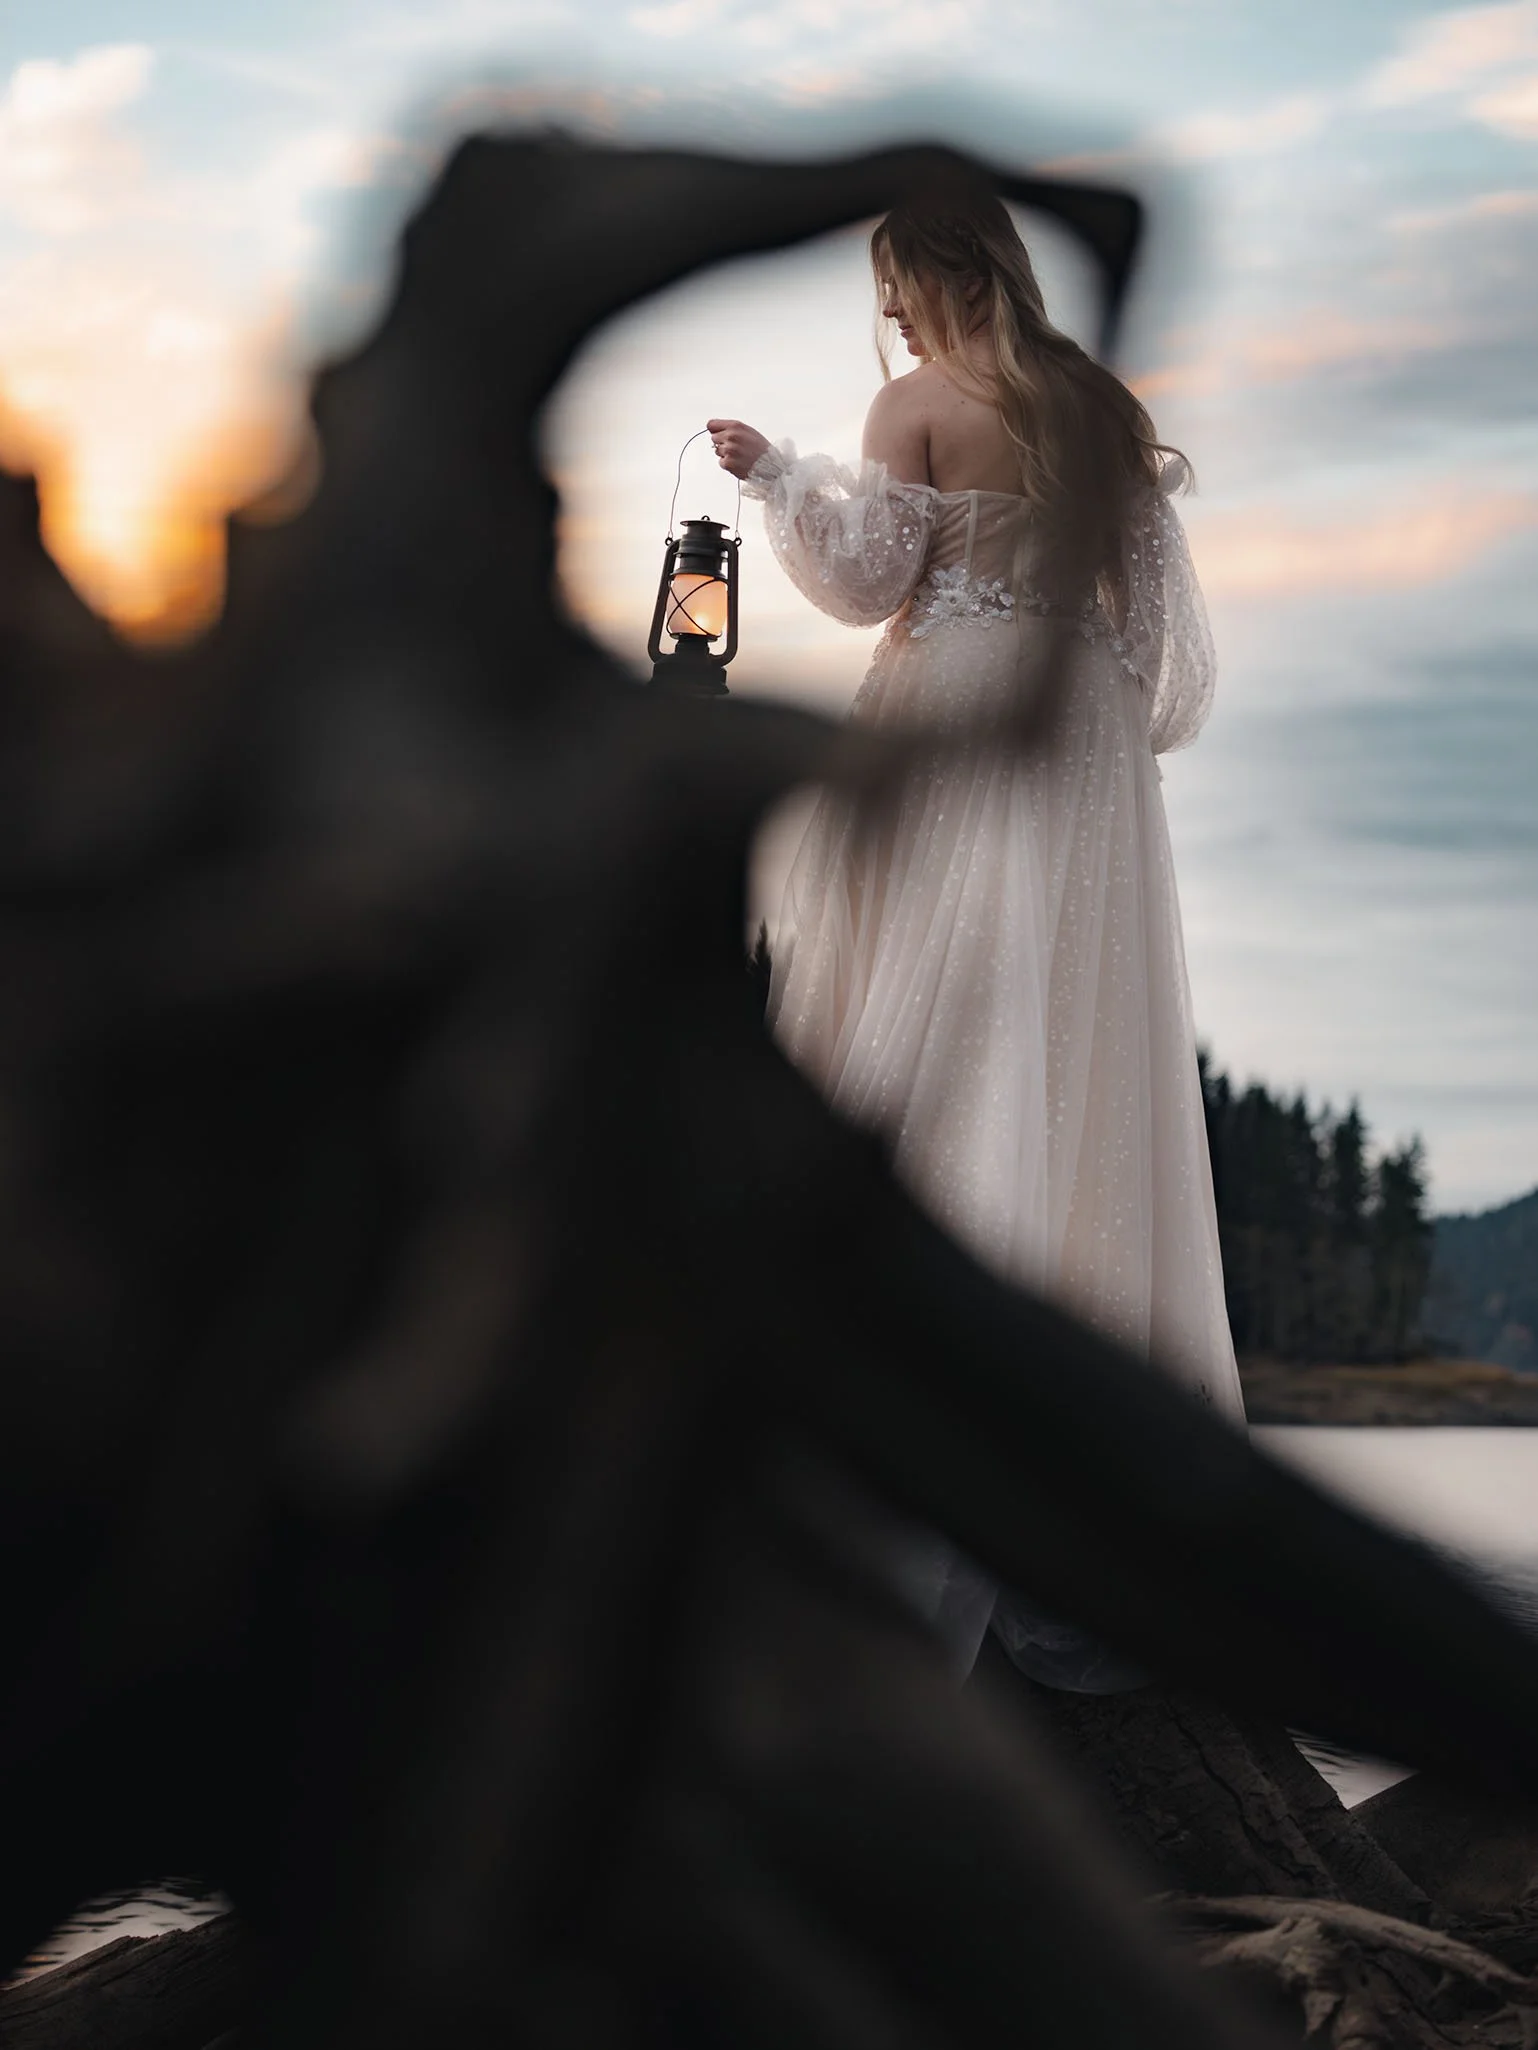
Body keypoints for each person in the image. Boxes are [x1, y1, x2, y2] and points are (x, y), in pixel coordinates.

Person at [707, 195, 1245, 1686]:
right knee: (1067, 1040)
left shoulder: (914, 406)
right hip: (1082, 751)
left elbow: (870, 582)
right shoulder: (1096, 403)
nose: (886, 316)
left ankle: (896, 1421)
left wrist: (774, 478)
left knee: (927, 1037)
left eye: (891, 285)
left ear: (933, 274)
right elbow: (1164, 650)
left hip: (957, 729)